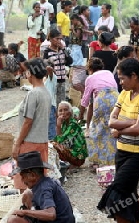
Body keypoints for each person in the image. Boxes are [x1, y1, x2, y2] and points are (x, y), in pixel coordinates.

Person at [98, 58, 139, 223]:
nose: (120, 82)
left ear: (134, 76)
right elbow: (111, 121)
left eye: (123, 78)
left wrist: (120, 130)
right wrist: (134, 122)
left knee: (118, 190)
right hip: (122, 150)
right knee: (128, 192)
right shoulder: (124, 94)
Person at [12, 58, 51, 190]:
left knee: (26, 181)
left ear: (30, 74)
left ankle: (27, 209)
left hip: (30, 143)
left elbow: (28, 122)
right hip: (42, 142)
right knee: (38, 180)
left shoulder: (33, 94)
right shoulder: (46, 92)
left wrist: (17, 144)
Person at [8, 151, 75, 223]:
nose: (22, 180)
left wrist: (25, 212)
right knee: (28, 194)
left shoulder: (44, 188)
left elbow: (51, 215)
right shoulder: (45, 182)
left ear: (33, 175)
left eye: (23, 177)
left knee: (13, 220)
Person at [79, 57, 118, 163]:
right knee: (112, 128)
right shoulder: (109, 73)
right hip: (116, 98)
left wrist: (80, 116)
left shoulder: (90, 78)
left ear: (90, 68)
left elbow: (85, 100)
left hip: (102, 99)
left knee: (97, 129)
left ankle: (96, 161)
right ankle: (113, 158)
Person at [52, 101, 88, 167]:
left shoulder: (73, 124)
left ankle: (70, 164)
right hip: (72, 154)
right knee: (51, 144)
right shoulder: (65, 124)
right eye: (60, 110)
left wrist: (58, 125)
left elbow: (61, 142)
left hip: (78, 158)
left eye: (66, 110)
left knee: (54, 145)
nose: (63, 113)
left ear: (70, 112)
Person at [43, 29, 67, 106]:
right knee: (52, 100)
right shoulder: (47, 51)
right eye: (57, 39)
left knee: (61, 101)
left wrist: (63, 49)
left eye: (60, 39)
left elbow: (70, 61)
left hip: (62, 79)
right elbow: (45, 65)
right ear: (50, 39)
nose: (59, 41)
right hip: (52, 79)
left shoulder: (62, 50)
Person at [45, 64, 58, 140]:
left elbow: (49, 68)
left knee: (51, 125)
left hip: (51, 106)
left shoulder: (52, 78)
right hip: (47, 106)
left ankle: (52, 141)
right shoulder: (47, 80)